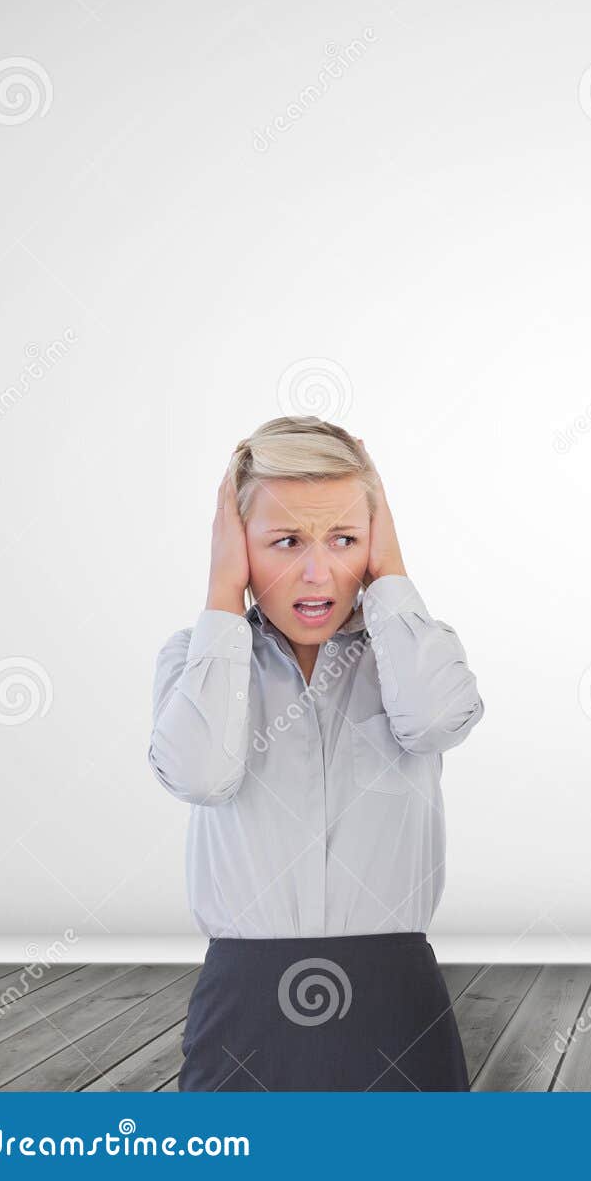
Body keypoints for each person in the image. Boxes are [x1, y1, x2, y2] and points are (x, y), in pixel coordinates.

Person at [149, 415, 484, 1090]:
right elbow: (200, 774)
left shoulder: (413, 648)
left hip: (396, 1001)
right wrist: (221, 593)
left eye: (344, 539)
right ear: (239, 546)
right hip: (242, 1005)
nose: (316, 572)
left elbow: (437, 719)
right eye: (284, 540)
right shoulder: (196, 658)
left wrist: (389, 571)